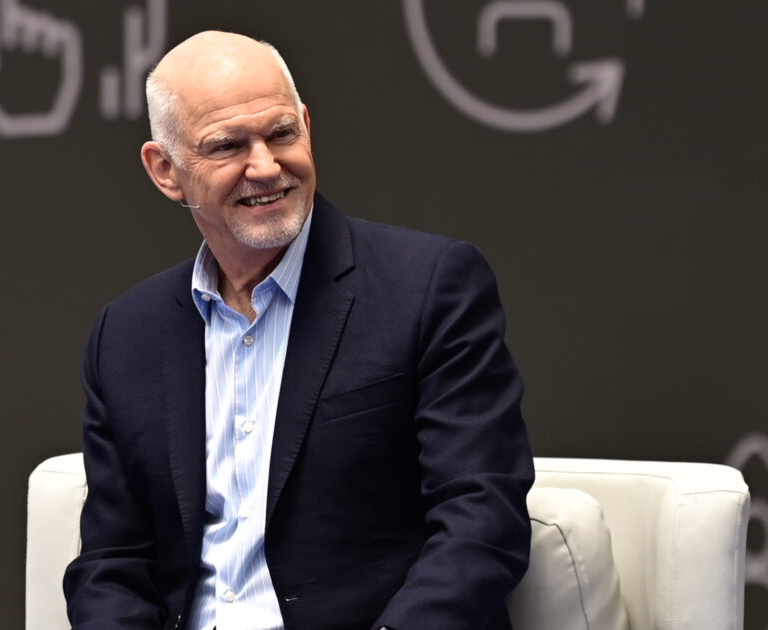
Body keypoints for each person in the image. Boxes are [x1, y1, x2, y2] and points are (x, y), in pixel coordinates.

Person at [64, 31, 534, 630]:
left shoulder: (429, 288)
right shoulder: (127, 334)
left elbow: (482, 521)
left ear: (307, 127)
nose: (266, 167)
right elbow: (111, 565)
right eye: (228, 146)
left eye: (282, 133)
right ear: (165, 170)